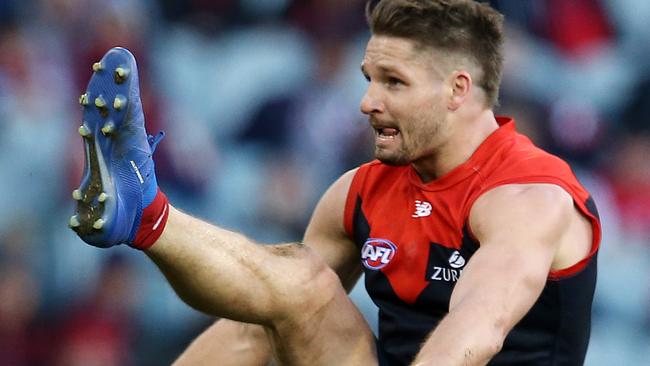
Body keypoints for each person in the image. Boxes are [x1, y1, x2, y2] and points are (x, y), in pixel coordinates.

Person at [69, 1, 601, 365]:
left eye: (393, 82)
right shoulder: (361, 191)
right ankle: (148, 218)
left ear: (457, 89)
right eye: (369, 77)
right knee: (293, 290)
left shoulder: (530, 197)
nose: (368, 101)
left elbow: (476, 333)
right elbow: (251, 332)